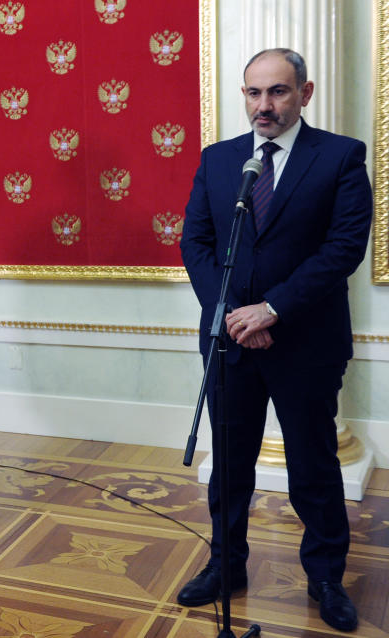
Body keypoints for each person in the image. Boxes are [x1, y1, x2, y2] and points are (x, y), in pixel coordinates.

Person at [179, 49, 372, 632]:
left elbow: (342, 249)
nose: (264, 105)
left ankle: (324, 576)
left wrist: (272, 310)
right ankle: (225, 566)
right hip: (229, 340)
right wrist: (237, 313)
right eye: (254, 93)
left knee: (311, 464)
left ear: (305, 93)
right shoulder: (219, 161)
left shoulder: (339, 156)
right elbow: (196, 243)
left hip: (304, 341)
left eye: (278, 92)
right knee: (230, 464)